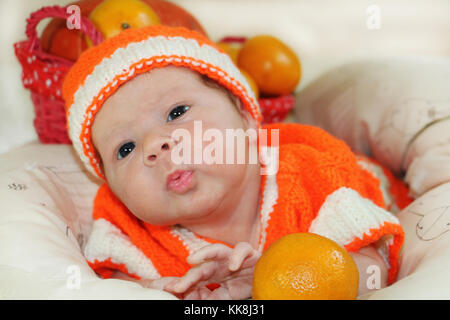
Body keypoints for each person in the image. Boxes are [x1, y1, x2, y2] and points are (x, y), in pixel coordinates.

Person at [62, 25, 408, 299]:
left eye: (177, 112)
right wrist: (158, 292)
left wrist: (273, 282)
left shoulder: (315, 179)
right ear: (111, 186)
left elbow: (375, 272)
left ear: (244, 116)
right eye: (125, 149)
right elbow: (110, 288)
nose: (155, 145)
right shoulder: (128, 232)